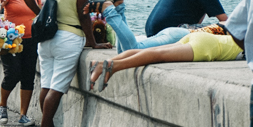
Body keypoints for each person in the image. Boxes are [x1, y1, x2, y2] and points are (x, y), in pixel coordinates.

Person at [20, 0, 110, 127]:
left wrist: (41, 14)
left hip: (47, 39)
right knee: (57, 88)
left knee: (47, 84)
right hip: (69, 39)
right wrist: (93, 42)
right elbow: (84, 15)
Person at [87, 24, 242, 91]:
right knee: (158, 56)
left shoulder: (247, 35)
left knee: (155, 50)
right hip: (208, 48)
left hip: (200, 37)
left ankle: (103, 63)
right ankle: (111, 67)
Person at [0, 0, 42, 126]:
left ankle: (23, 115)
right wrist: (0, 1)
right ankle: (2, 105)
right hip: (11, 40)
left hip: (31, 39)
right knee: (12, 73)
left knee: (28, 76)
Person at [101, 0, 193, 53]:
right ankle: (109, 10)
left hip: (177, 33)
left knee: (123, 53)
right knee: (133, 50)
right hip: (183, 36)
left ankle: (119, 8)